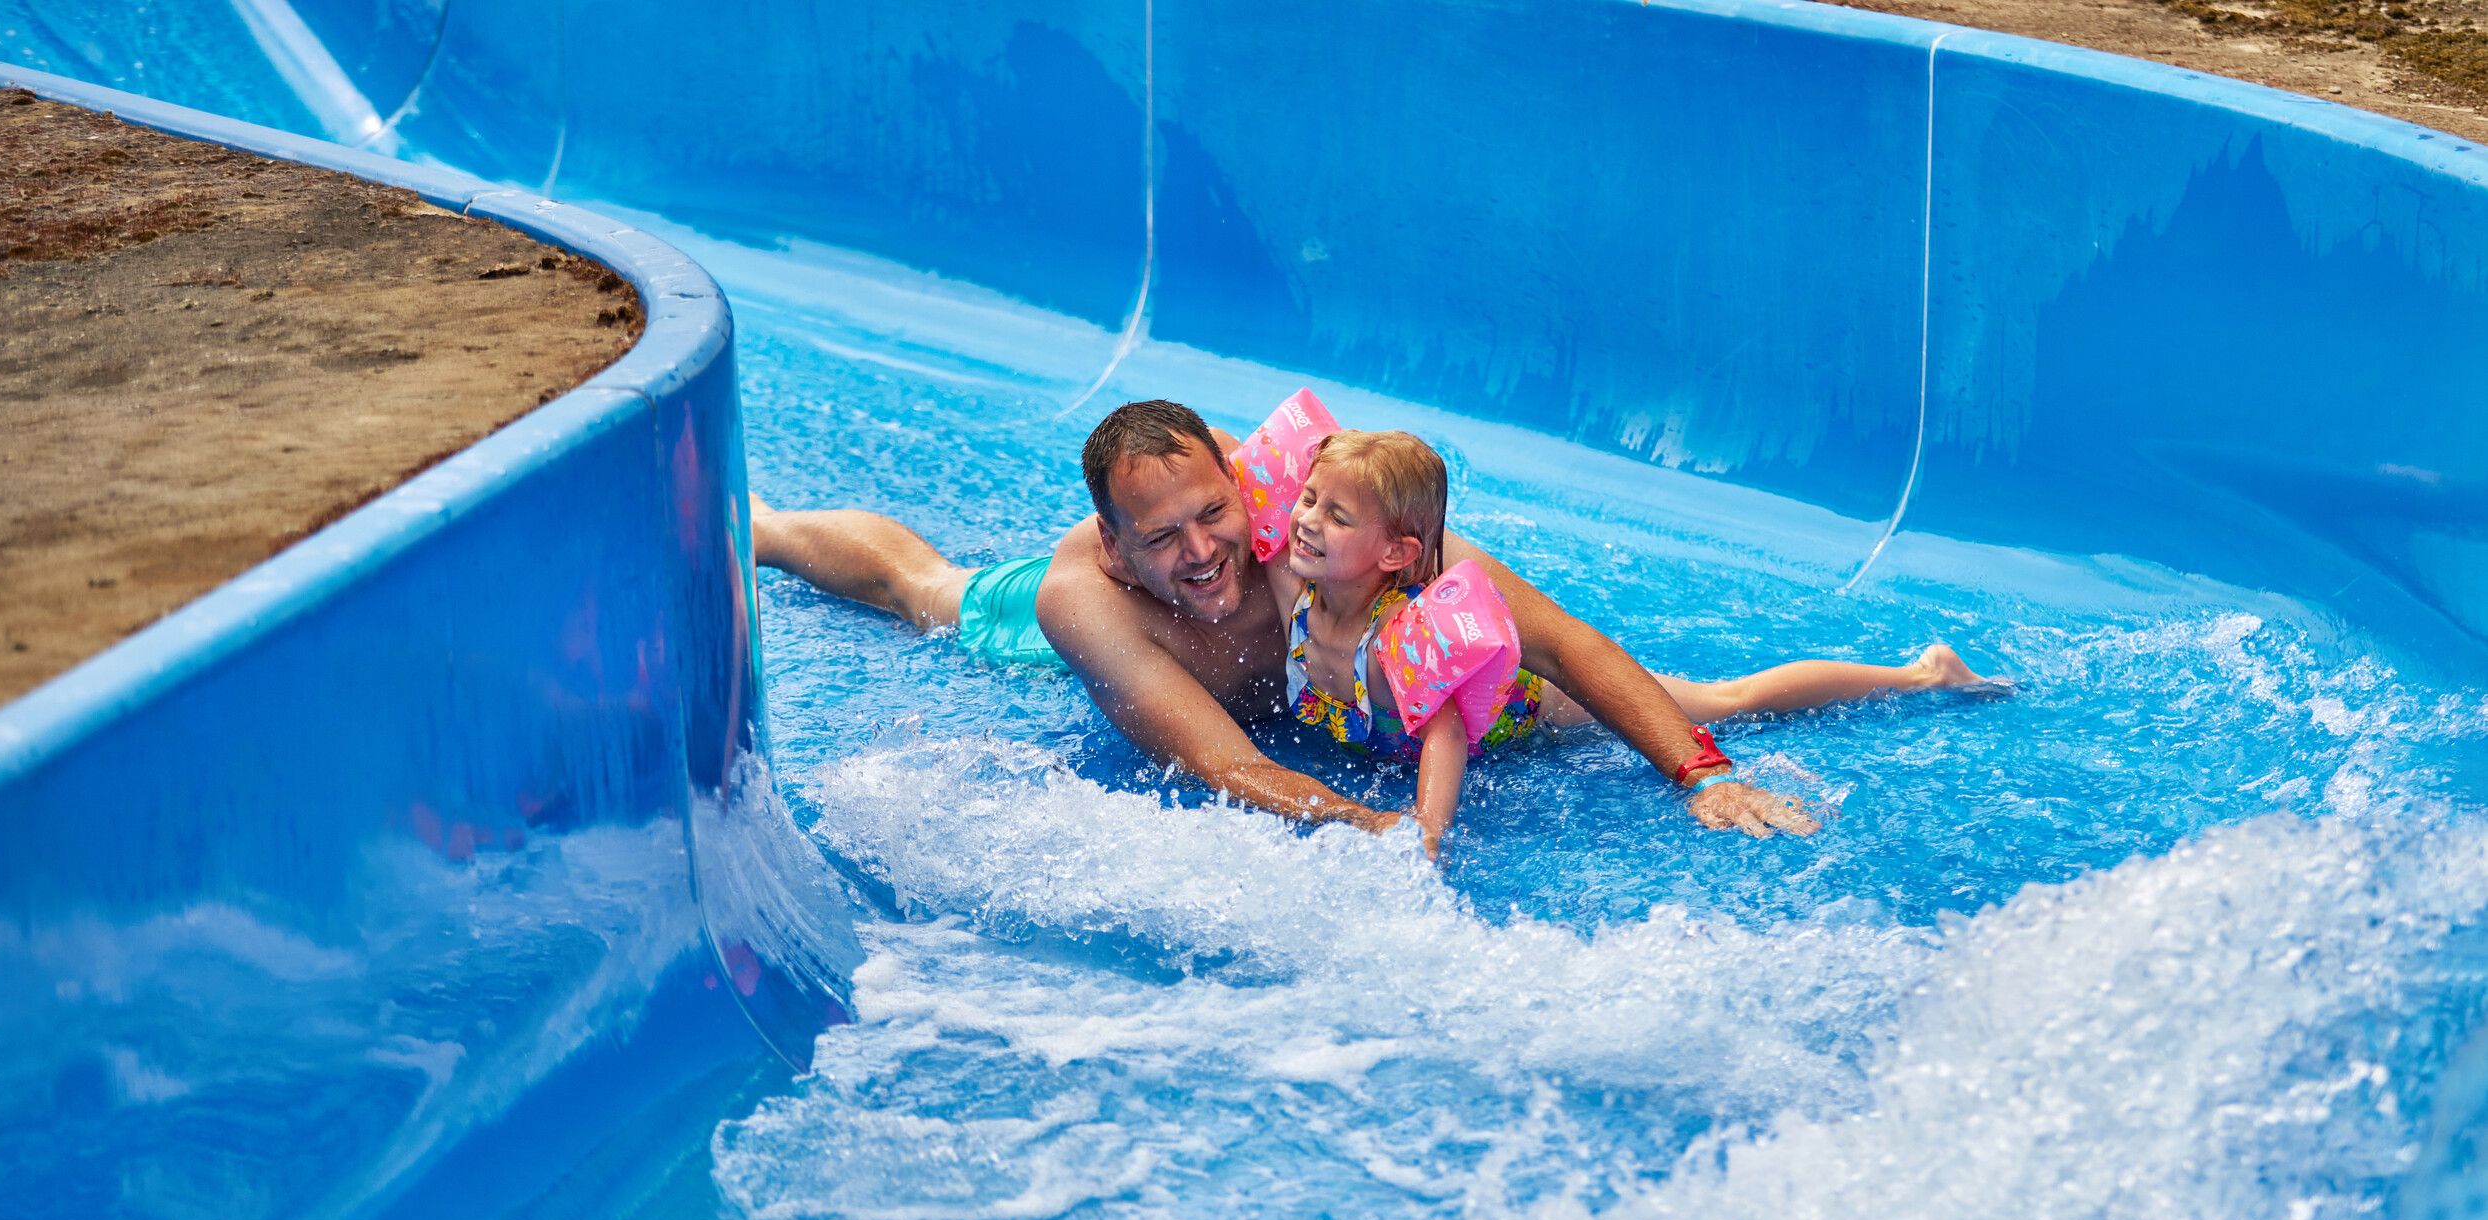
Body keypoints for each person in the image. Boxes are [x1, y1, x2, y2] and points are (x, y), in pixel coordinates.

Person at [751, 397, 1883, 837]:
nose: (1202, 554)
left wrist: (1698, 774)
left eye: (1212, 514)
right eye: (1161, 536)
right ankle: (755, 520)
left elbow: (1569, 647)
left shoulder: (1321, 543)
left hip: (1310, 651)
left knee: (1698, 706)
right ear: (1115, 545)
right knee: (927, 590)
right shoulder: (1085, 598)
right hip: (1103, 628)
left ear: (1245, 490)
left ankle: (1912, 675)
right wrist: (1364, 821)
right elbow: (1221, 760)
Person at [1272, 429, 1987, 854]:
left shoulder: (1399, 634)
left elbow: (1445, 730)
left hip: (1547, 706)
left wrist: (1427, 835)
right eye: (1308, 498)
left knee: (1724, 700)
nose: (1306, 520)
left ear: (1396, 554)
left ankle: (1921, 674)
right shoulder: (1301, 585)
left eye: (1336, 515)